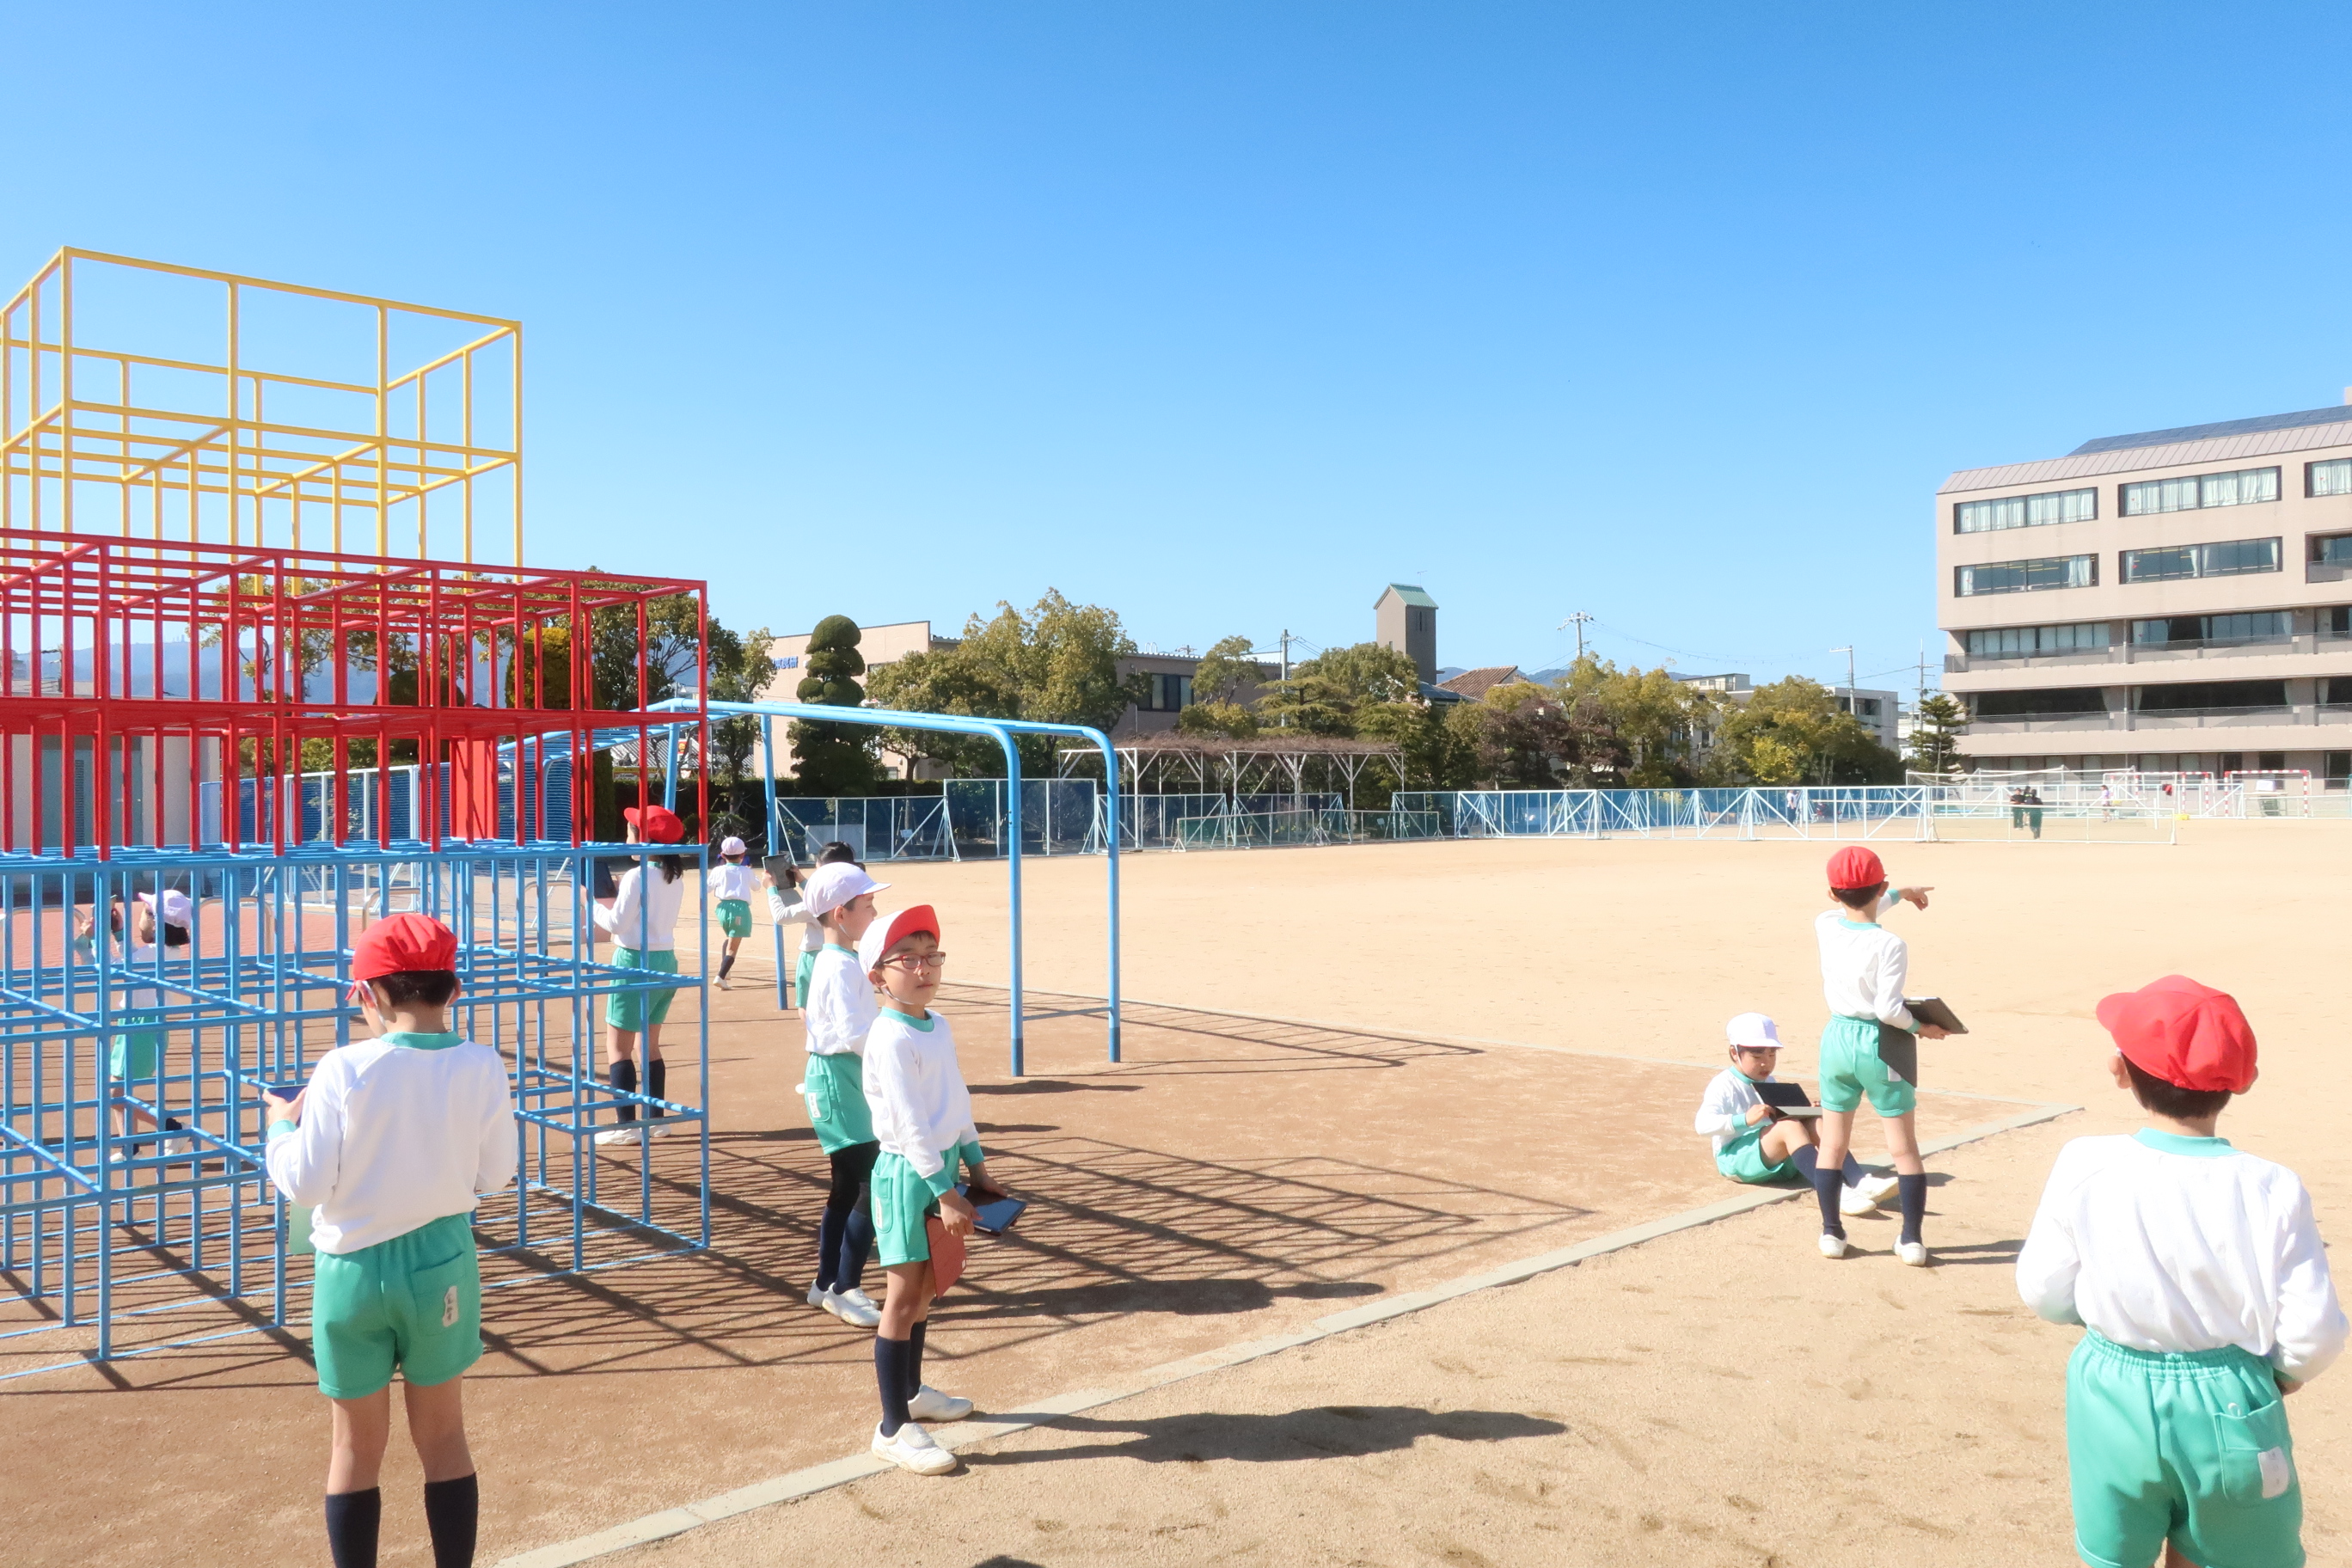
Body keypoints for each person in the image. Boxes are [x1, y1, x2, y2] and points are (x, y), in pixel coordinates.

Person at [2018, 977, 2347, 1568]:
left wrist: (2094, 1314)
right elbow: (2315, 1331)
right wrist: (2286, 1372)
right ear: (2241, 1082)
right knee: (2229, 1550)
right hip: (2230, 1396)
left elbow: (2043, 1289)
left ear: (2120, 1071)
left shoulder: (2085, 1162)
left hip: (2110, 1386)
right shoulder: (2272, 1186)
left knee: (2115, 1548)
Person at [262, 912, 515, 1568]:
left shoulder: (343, 1067)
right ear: (453, 989)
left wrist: (280, 1130)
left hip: (350, 1270)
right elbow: (497, 1174)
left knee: (354, 1449)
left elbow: (307, 1183)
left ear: (371, 994)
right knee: (445, 1438)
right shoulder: (482, 1064)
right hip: (442, 1260)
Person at [861, 902, 1008, 1475]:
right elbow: (909, 1125)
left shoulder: (936, 1025)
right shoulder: (890, 1037)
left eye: (932, 956)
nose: (923, 968)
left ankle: (912, 1392)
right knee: (902, 1299)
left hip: (940, 1166)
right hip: (908, 1174)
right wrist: (946, 1193)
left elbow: (956, 1099)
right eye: (907, 959)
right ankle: (892, 1428)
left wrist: (976, 1165)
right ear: (878, 975)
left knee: (926, 1292)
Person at [1810, 845, 1948, 1265]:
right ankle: (1911, 1240)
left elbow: (1856, 909)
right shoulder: (1891, 944)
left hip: (1836, 1039)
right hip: (1880, 1042)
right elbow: (1889, 1011)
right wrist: (1921, 1027)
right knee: (1903, 1148)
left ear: (1832, 893)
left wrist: (1900, 894)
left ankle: (1831, 1233)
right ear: (1881, 885)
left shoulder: (1825, 925)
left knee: (1832, 1144)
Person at [799, 860, 891, 1326]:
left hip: (841, 1077)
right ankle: (843, 1287)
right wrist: (896, 1049)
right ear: (841, 913)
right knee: (872, 1186)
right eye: (868, 905)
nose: (874, 912)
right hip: (839, 1080)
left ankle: (826, 1282)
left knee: (847, 1187)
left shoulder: (840, 960)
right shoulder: (837, 964)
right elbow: (856, 1033)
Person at [1695, 1012, 1896, 1212]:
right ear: (1734, 1053)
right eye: (1757, 1056)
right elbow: (1702, 1125)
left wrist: (1807, 1111)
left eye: (1772, 1055)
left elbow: (1779, 1118)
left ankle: (1858, 1180)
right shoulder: (1723, 1084)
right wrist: (1744, 1119)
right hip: (1735, 1160)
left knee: (1815, 1122)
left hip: (1775, 1159)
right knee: (1789, 1127)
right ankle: (1833, 1191)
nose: (1766, 1063)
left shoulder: (1770, 1081)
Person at [74, 890, 197, 1162]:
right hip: (138, 1022)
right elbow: (132, 959)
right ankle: (130, 1146)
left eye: (143, 914)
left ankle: (173, 1128)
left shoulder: (155, 954)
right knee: (118, 1090)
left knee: (114, 1093)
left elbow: (113, 968)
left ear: (155, 922)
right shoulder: (164, 951)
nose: (139, 920)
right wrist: (118, 934)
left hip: (142, 1026)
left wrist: (94, 939)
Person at [592, 805, 689, 1147]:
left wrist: (591, 904)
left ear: (643, 839)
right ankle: (655, 1119)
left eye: (631, 831)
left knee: (618, 1047)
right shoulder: (673, 875)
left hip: (633, 959)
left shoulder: (637, 875)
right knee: (648, 1044)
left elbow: (616, 924)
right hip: (665, 959)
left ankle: (626, 1125)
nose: (627, 837)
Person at [769, 841, 861, 1009]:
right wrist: (803, 881)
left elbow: (781, 916)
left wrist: (771, 889)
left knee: (808, 1010)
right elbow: (826, 893)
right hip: (846, 953)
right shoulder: (854, 891)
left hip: (814, 956)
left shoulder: (819, 903)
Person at [707, 836, 761, 991]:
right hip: (739, 908)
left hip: (722, 907)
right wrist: (751, 873)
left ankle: (726, 970)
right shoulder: (746, 871)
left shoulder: (718, 870)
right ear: (743, 855)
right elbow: (757, 887)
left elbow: (707, 887)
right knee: (733, 947)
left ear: (723, 855)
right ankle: (721, 976)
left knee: (730, 937)